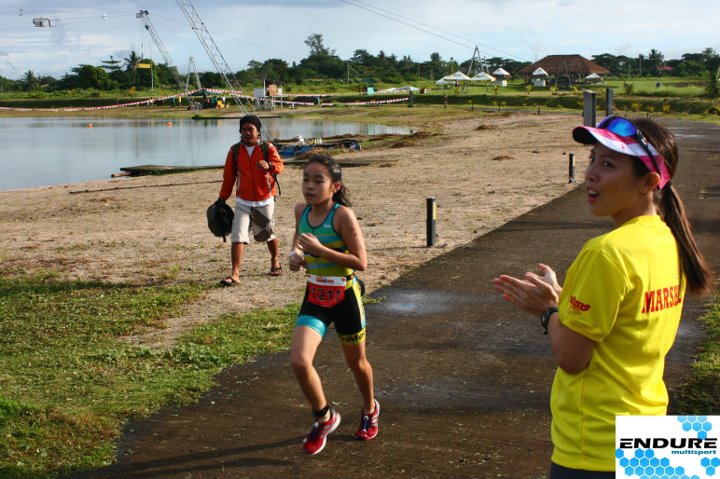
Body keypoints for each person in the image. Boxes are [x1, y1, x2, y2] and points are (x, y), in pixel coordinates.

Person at [492, 116, 713, 478]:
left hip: (595, 449)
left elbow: (572, 358)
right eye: (593, 159)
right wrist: (566, 298)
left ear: (649, 182)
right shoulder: (667, 239)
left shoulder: (605, 252)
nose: (591, 173)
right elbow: (624, 322)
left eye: (608, 164)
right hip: (653, 432)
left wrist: (547, 310)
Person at [288, 153, 379, 455]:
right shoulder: (301, 211)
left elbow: (361, 262)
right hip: (315, 296)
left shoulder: (342, 216)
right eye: (306, 179)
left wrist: (321, 250)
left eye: (318, 180)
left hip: (344, 297)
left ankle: (369, 409)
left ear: (335, 186)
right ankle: (324, 416)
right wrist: (296, 257)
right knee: (300, 361)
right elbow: (298, 245)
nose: (309, 186)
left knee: (356, 363)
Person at [218, 114, 284, 286]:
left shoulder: (267, 148)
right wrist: (222, 199)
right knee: (238, 236)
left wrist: (269, 166)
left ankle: (275, 260)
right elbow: (229, 177)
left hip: (265, 200)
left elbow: (280, 166)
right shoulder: (234, 151)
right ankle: (235, 274)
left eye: (251, 129)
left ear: (258, 131)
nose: (247, 133)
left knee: (265, 235)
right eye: (244, 129)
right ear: (240, 131)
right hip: (243, 201)